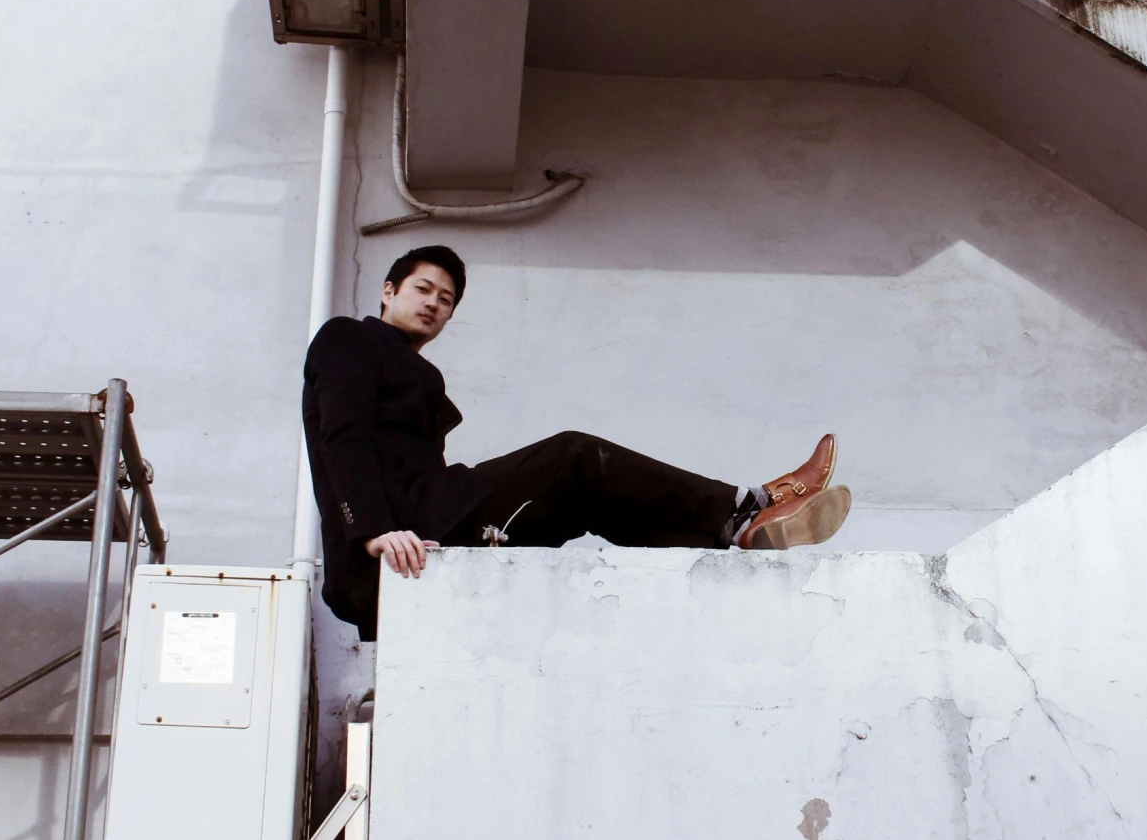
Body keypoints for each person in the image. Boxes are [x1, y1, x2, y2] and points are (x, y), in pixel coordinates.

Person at [303, 245, 851, 638]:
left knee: (588, 500)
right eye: (422, 289)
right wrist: (372, 532)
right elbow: (341, 437)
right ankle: (749, 504)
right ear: (388, 290)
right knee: (574, 456)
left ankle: (732, 540)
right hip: (391, 542)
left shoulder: (414, 371)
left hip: (427, 528)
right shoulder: (347, 338)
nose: (433, 304)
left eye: (446, 300)